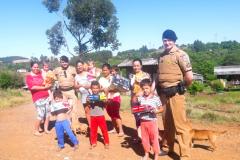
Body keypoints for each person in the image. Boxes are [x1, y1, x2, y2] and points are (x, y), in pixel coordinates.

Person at [157, 29, 193, 159]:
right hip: (163, 94)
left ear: (174, 40)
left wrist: (180, 88)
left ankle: (185, 155)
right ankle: (168, 148)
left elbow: (189, 77)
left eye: (169, 40)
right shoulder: (161, 56)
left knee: (180, 125)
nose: (166, 42)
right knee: (167, 124)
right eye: (164, 40)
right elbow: (159, 75)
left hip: (176, 94)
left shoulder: (181, 54)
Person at [133, 78, 165, 160]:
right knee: (145, 139)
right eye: (143, 89)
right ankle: (146, 154)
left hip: (152, 122)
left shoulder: (156, 98)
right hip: (143, 122)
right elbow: (134, 104)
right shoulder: (141, 98)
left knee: (154, 139)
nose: (145, 90)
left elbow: (161, 109)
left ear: (151, 87)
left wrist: (155, 111)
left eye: (147, 88)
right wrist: (136, 95)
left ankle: (156, 155)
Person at [53, 56, 79, 131]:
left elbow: (79, 75)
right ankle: (66, 126)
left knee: (74, 109)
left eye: (66, 62)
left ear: (68, 62)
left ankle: (75, 126)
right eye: (62, 62)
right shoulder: (56, 70)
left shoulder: (73, 69)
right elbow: (50, 77)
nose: (64, 63)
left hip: (71, 91)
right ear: (60, 62)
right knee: (64, 109)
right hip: (62, 92)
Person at [26, 61, 51, 136]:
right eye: (34, 67)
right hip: (37, 98)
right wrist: (44, 87)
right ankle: (36, 131)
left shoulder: (40, 74)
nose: (36, 68)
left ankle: (46, 129)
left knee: (48, 113)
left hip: (46, 96)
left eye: (37, 67)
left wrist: (48, 85)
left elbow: (45, 82)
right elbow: (32, 87)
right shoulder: (29, 77)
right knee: (40, 114)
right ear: (31, 67)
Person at [98, 63, 124, 136]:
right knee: (110, 114)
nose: (104, 72)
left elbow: (118, 89)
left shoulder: (114, 77)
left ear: (109, 70)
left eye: (106, 70)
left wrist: (108, 90)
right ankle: (115, 129)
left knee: (115, 114)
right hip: (106, 98)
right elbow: (99, 89)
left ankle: (121, 130)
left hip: (115, 96)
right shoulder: (101, 79)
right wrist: (103, 91)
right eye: (103, 70)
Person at [130, 58, 152, 142]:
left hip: (144, 100)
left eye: (137, 65)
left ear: (141, 66)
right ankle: (140, 136)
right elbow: (130, 88)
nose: (136, 67)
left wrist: (140, 82)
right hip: (134, 100)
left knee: (146, 118)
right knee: (137, 118)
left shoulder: (146, 75)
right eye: (134, 66)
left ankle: (148, 137)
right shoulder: (131, 75)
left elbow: (149, 87)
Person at [86, 81, 109, 149]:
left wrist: (105, 97)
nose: (95, 89)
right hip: (93, 116)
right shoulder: (89, 96)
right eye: (93, 88)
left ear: (99, 89)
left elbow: (105, 102)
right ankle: (93, 142)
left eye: (96, 88)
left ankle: (106, 142)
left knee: (104, 130)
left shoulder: (101, 95)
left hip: (101, 115)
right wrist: (88, 101)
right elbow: (89, 106)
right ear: (91, 88)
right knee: (93, 130)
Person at [75, 60, 91, 125]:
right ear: (76, 67)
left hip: (90, 93)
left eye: (80, 65)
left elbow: (94, 81)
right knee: (86, 110)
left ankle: (95, 123)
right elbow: (75, 86)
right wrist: (81, 85)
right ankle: (90, 124)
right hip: (83, 95)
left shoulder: (87, 73)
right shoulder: (76, 76)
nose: (79, 67)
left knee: (93, 109)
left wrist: (88, 86)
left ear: (83, 66)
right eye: (78, 66)